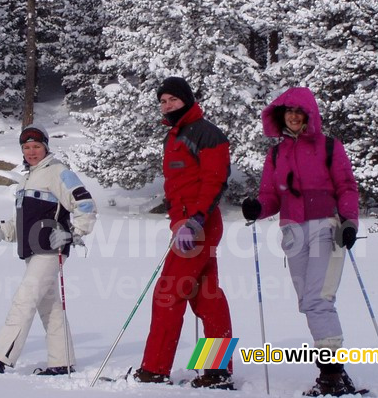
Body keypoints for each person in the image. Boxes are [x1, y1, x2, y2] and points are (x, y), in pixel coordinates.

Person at [241, 87, 360, 396]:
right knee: (308, 302)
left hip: (327, 227)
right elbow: (270, 195)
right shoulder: (276, 154)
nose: (293, 117)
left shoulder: (329, 146)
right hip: (293, 232)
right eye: (288, 112)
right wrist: (257, 208)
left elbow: (346, 186)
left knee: (319, 298)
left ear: (309, 115)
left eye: (299, 111)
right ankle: (335, 372)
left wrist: (349, 221)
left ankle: (331, 377)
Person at [0, 123, 97, 375]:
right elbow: (18, 224)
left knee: (23, 301)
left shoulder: (58, 171)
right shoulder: (26, 179)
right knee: (49, 307)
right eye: (27, 147)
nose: (32, 152)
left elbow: (85, 203)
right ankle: (62, 361)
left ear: (46, 147)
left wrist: (72, 233)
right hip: (32, 251)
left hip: (50, 249)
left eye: (36, 146)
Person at [133, 76, 234, 390]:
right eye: (163, 101)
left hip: (201, 224)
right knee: (206, 296)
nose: (167, 105)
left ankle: (155, 369)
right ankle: (217, 369)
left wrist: (196, 219)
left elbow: (215, 180)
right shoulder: (173, 137)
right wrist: (177, 221)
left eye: (172, 100)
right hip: (185, 225)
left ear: (187, 100)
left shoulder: (207, 133)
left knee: (168, 292)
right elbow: (174, 188)